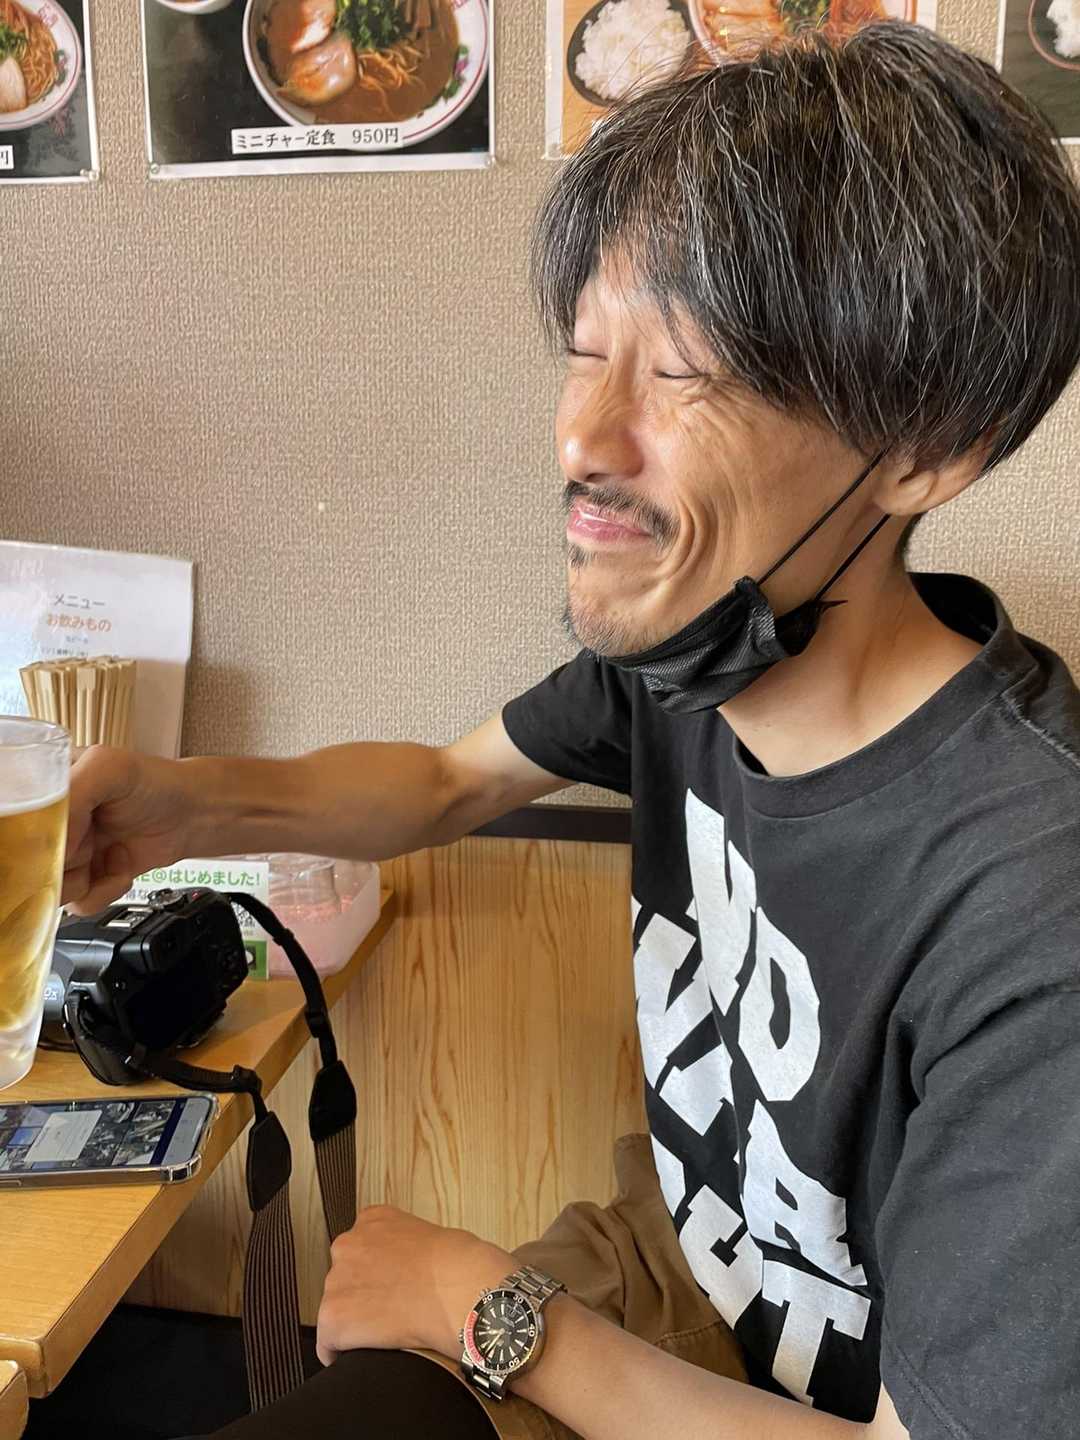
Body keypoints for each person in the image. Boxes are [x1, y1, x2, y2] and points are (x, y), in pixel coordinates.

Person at [61, 21, 1080, 1440]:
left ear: (927, 445)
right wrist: (189, 805)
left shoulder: (1034, 908)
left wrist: (485, 1306)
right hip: (661, 1286)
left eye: (688, 370)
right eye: (586, 354)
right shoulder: (690, 659)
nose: (583, 440)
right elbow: (441, 783)